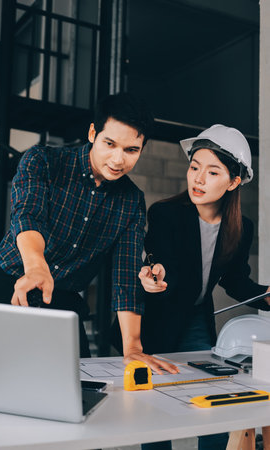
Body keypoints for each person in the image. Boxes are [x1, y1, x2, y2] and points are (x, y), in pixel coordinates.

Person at [0, 92, 178, 374]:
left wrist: (132, 347)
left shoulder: (131, 201)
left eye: (131, 150)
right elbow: (28, 215)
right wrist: (36, 268)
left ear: (142, 149)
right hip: (12, 285)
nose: (118, 159)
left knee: (78, 385)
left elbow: (124, 276)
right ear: (92, 133)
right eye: (109, 144)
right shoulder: (43, 161)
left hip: (64, 301)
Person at [138, 124, 270, 450]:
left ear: (234, 182)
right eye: (194, 167)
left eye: (212, 172)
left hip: (197, 317)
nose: (198, 179)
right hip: (157, 318)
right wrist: (154, 272)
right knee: (155, 410)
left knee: (213, 402)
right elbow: (161, 258)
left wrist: (267, 296)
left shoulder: (241, 228)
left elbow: (235, 280)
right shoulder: (166, 213)